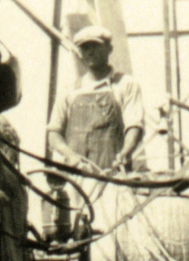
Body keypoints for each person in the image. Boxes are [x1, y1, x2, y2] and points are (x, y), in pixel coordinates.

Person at [47, 25, 144, 173]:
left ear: (109, 49)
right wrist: (70, 156)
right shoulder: (69, 90)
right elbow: (53, 133)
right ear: (80, 53)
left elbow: (134, 126)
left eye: (95, 46)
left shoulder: (125, 84)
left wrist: (125, 152)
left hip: (114, 174)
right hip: (76, 176)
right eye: (85, 48)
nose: (90, 52)